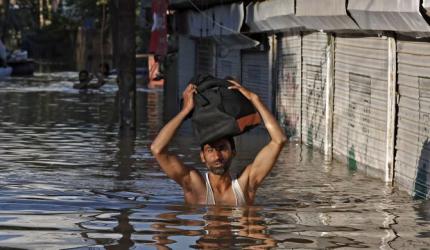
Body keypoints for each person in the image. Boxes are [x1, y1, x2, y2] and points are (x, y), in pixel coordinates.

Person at [150, 80, 287, 206]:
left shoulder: (245, 185)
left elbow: (279, 140)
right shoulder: (195, 186)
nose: (217, 156)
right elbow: (157, 149)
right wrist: (185, 111)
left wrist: (255, 99)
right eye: (210, 150)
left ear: (233, 152)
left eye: (222, 148)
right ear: (202, 156)